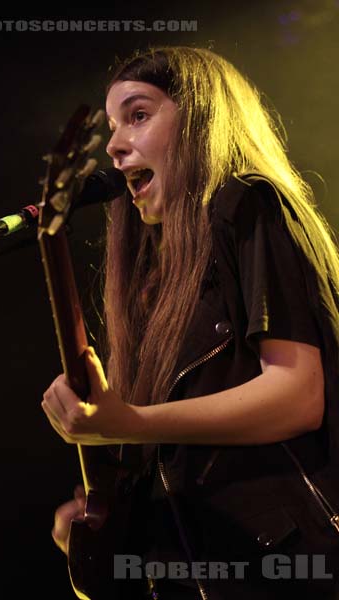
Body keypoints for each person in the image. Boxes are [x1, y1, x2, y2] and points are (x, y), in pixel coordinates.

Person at [41, 46, 339, 599]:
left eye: (138, 115)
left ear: (201, 118)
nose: (113, 146)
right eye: (111, 126)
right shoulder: (154, 278)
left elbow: (298, 394)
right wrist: (108, 514)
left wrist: (129, 421)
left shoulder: (249, 203)